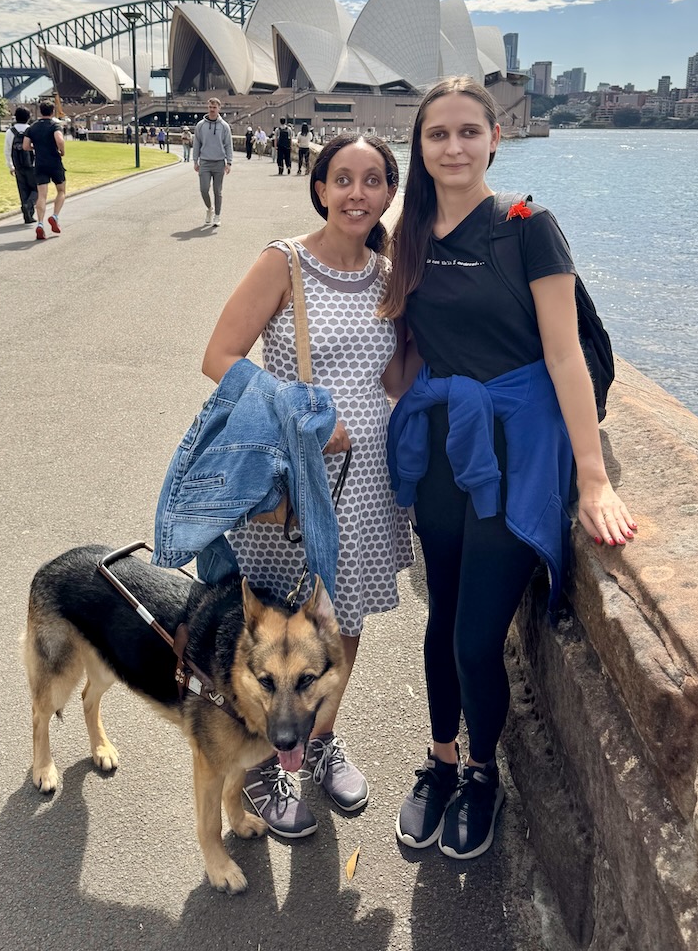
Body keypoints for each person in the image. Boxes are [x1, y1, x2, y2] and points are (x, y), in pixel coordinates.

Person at [381, 76, 636, 861]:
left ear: (495, 136)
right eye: (436, 135)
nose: (452, 147)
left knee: (474, 635)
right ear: (419, 148)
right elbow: (411, 345)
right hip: (444, 457)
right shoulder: (412, 235)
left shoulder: (528, 226)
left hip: (514, 451)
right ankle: (441, 760)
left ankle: (483, 774)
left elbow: (564, 355)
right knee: (439, 621)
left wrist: (592, 478)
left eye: (467, 131)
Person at [201, 133, 416, 840]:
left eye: (374, 180)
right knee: (272, 630)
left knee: (339, 626)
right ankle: (264, 761)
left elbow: (390, 379)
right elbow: (221, 358)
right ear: (319, 186)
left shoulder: (391, 276)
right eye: (343, 178)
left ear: (389, 193)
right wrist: (308, 420)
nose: (358, 193)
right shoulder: (285, 262)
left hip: (366, 482)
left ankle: (317, 741)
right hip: (291, 484)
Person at [23, 100, 66, 241]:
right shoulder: (55, 125)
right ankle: (54, 216)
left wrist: (35, 148)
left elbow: (25, 146)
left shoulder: (32, 127)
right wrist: (62, 151)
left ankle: (40, 223)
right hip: (54, 162)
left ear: (40, 111)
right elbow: (59, 140)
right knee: (61, 190)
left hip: (40, 163)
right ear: (52, 111)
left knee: (42, 195)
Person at [192, 98, 233, 228]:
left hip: (219, 162)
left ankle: (217, 216)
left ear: (219, 109)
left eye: (214, 107)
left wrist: (229, 162)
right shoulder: (201, 125)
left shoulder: (224, 126)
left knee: (217, 191)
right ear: (207, 108)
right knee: (204, 189)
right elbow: (196, 143)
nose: (212, 110)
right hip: (204, 161)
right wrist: (195, 161)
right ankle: (210, 208)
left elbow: (228, 145)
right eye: (210, 107)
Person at [5, 105, 38, 224]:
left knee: (23, 190)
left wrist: (10, 166)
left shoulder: (10, 131)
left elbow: (7, 150)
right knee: (35, 189)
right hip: (32, 164)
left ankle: (27, 215)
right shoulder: (32, 130)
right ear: (28, 117)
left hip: (18, 165)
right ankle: (29, 206)